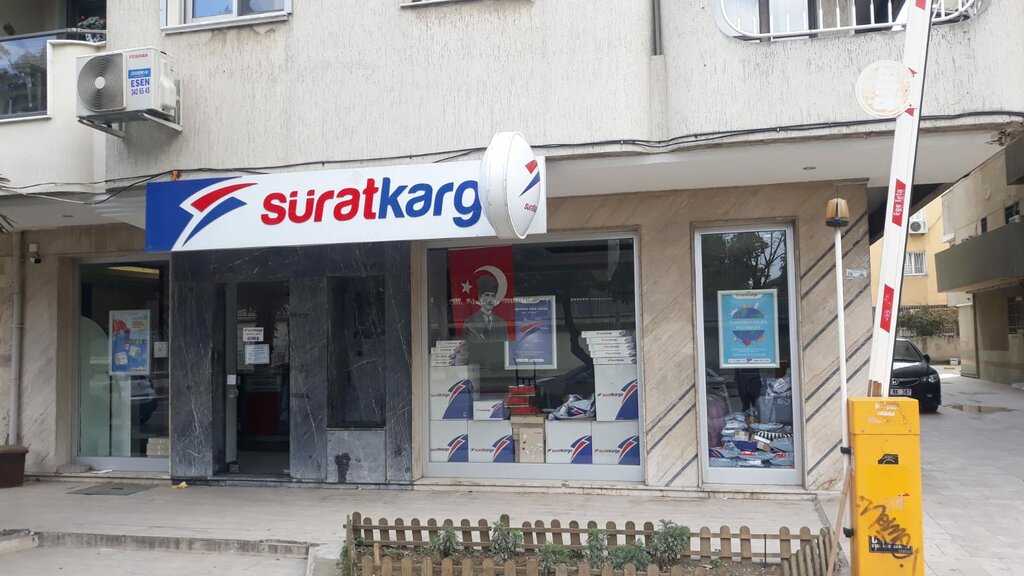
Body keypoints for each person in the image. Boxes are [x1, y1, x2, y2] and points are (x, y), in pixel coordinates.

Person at [463, 275, 508, 342]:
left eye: (493, 296)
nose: (490, 300)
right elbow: (466, 345)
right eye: (487, 295)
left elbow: (505, 344)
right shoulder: (470, 321)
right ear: (480, 297)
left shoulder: (501, 322)